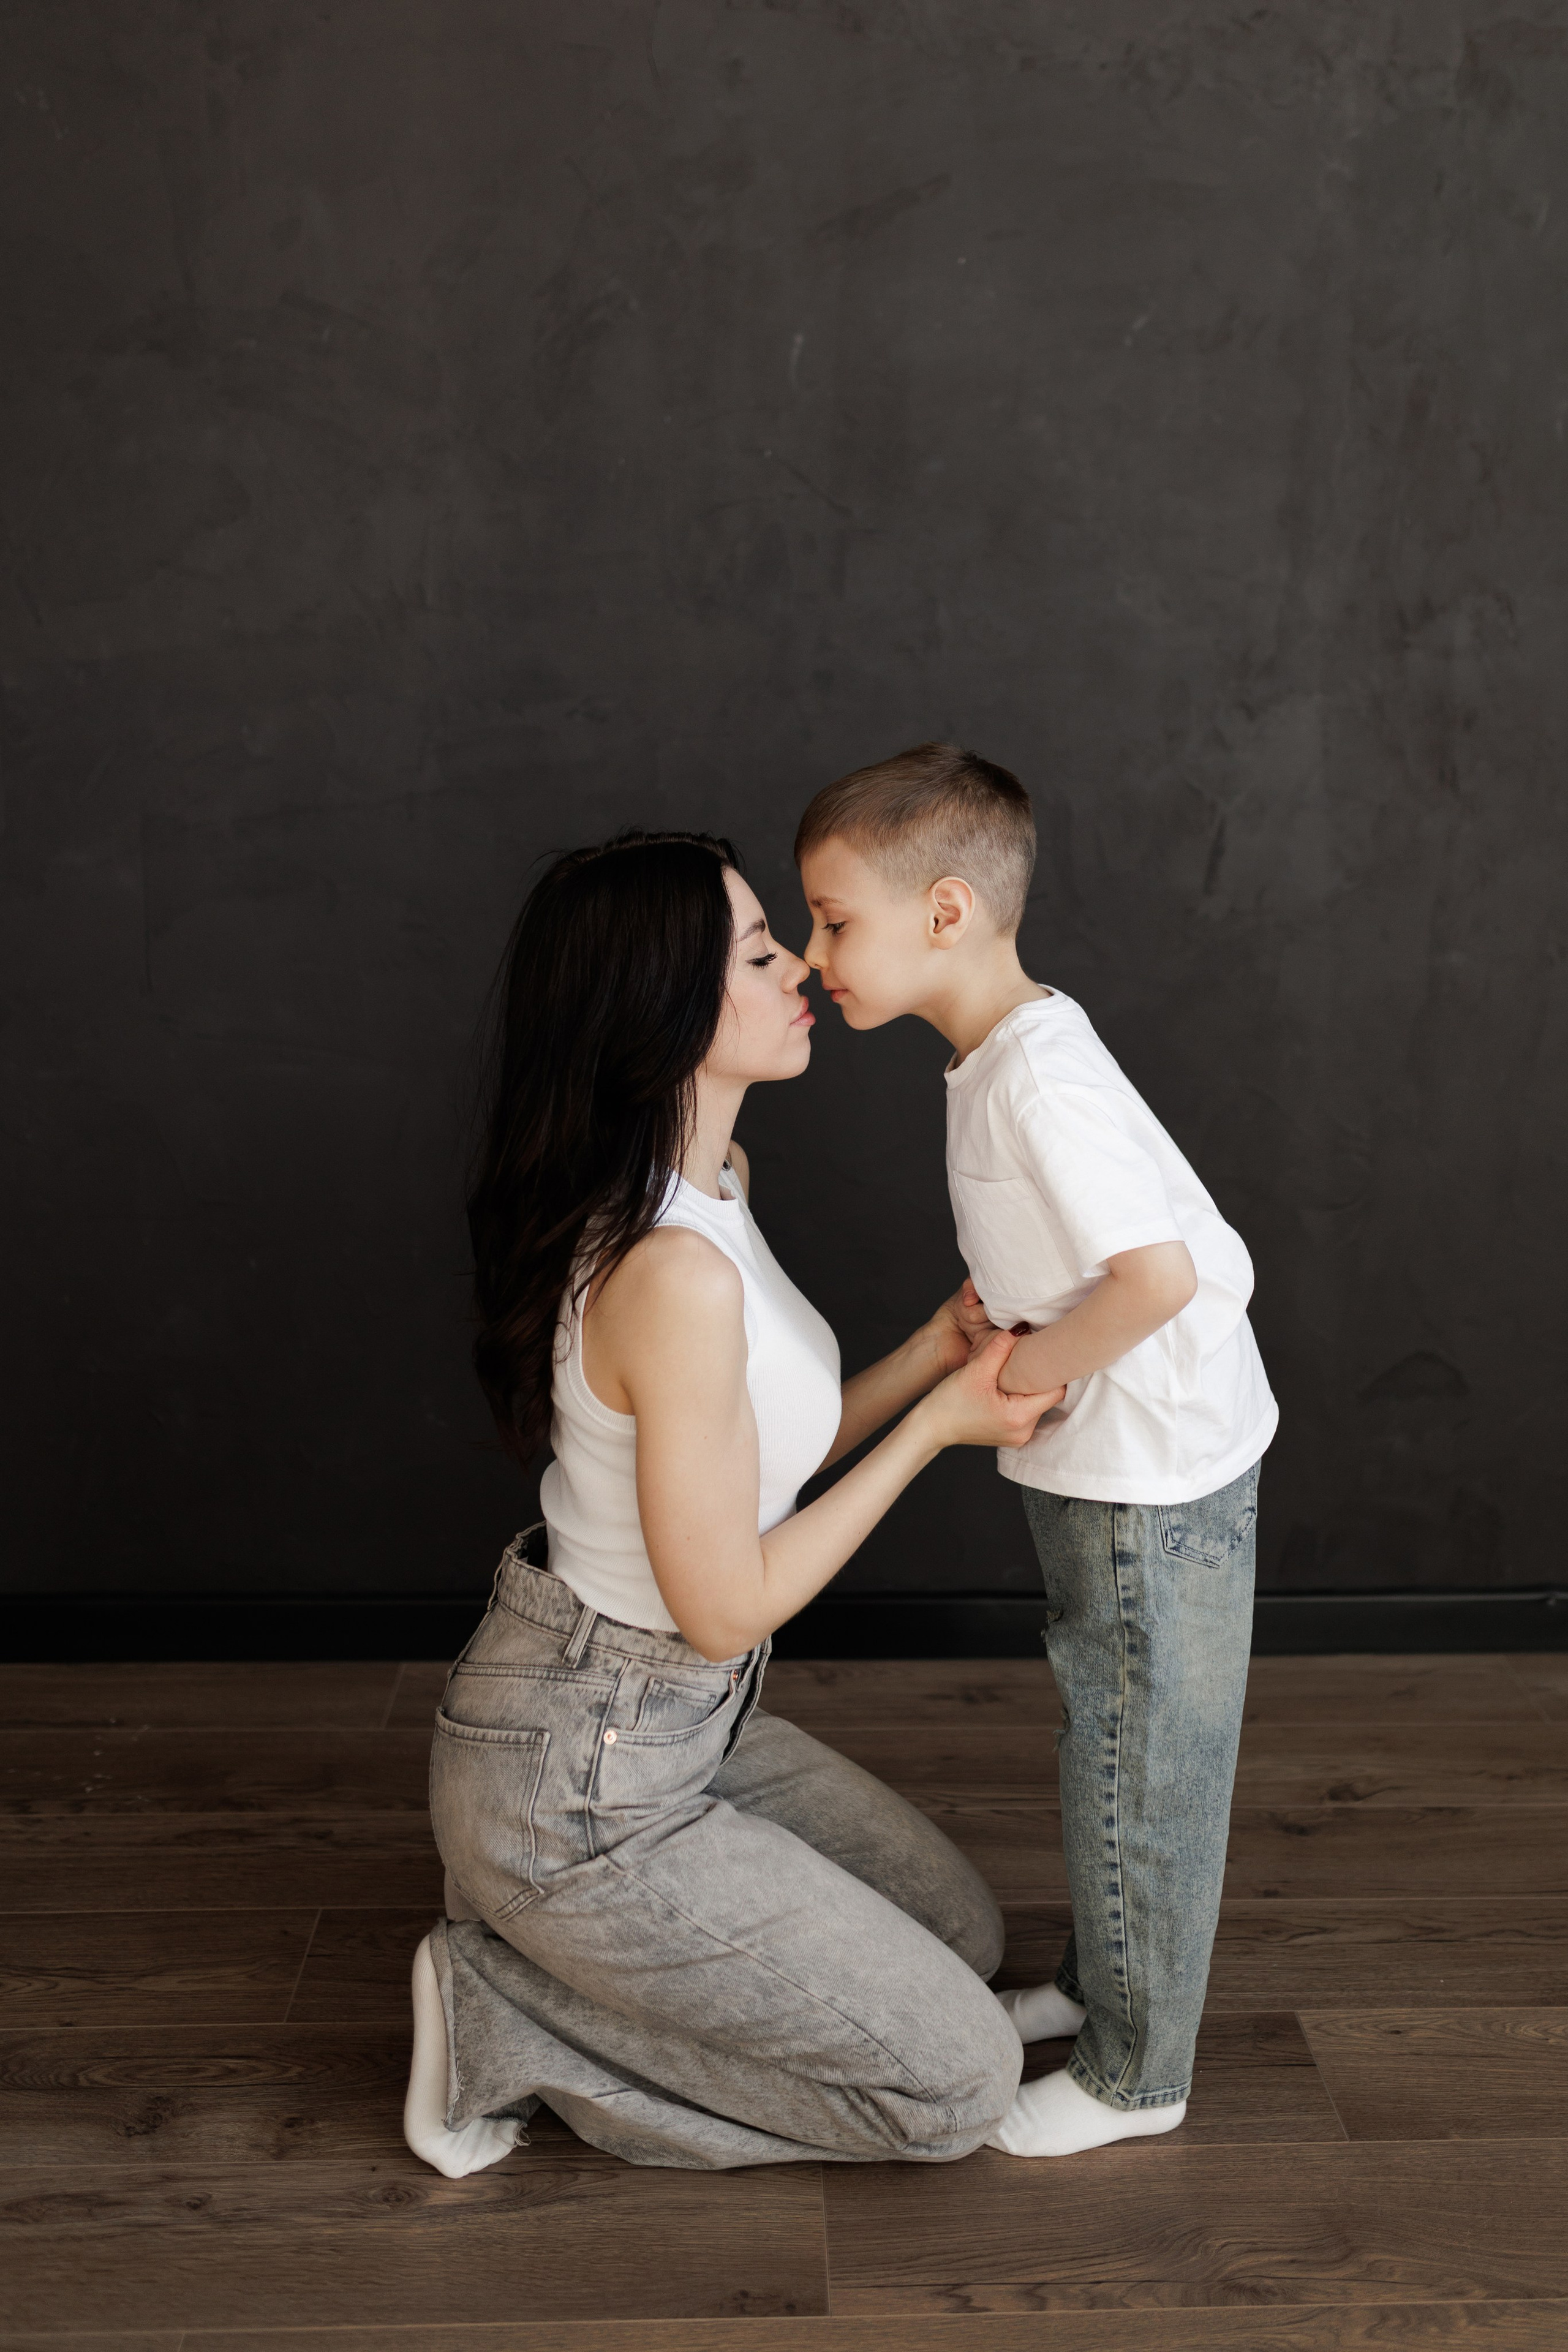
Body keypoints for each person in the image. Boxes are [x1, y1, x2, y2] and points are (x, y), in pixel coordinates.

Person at [403, 827, 1065, 2176]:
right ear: (658, 1016)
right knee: (956, 2088)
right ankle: (498, 2008)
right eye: (760, 953)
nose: (803, 971)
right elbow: (719, 1608)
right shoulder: (667, 1273)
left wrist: (930, 1355)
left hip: (683, 1729)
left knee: (964, 1939)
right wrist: (939, 1428)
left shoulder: (715, 1188)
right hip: (581, 1776)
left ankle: (546, 1950)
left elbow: (762, 1456)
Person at [796, 744, 1278, 2158]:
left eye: (833, 921)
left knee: (1140, 1765)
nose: (816, 951)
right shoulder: (1005, 1055)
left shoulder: (1033, 1083)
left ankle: (1142, 2075)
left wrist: (1024, 1369)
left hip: (1147, 1477)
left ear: (943, 912)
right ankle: (1095, 1983)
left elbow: (1156, 1279)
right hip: (1119, 1461)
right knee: (1112, 1746)